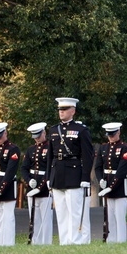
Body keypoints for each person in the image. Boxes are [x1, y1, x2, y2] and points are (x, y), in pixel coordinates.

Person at [46, 97, 94, 245]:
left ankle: (75, 241)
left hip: (74, 174)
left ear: (72, 111)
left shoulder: (81, 130)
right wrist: (49, 176)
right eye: (60, 110)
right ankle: (64, 241)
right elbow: (50, 155)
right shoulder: (54, 130)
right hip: (57, 173)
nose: (61, 112)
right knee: (61, 212)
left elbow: (87, 155)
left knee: (74, 212)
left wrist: (85, 177)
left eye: (65, 109)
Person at [95, 122, 127, 243]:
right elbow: (98, 167)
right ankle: (110, 240)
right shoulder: (103, 148)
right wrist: (101, 180)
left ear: (119, 132)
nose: (111, 137)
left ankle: (121, 240)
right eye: (109, 135)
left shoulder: (125, 148)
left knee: (119, 217)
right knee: (109, 216)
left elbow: (122, 169)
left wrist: (111, 186)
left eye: (113, 134)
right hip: (106, 184)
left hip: (119, 186)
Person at [22, 122, 54, 245]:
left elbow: (49, 168)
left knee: (46, 219)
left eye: (38, 135)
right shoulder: (31, 149)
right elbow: (24, 168)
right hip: (32, 186)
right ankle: (35, 242)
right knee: (34, 218)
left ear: (44, 133)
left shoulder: (50, 147)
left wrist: (41, 186)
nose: (36, 138)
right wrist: (29, 181)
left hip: (44, 188)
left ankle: (46, 243)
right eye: (34, 136)